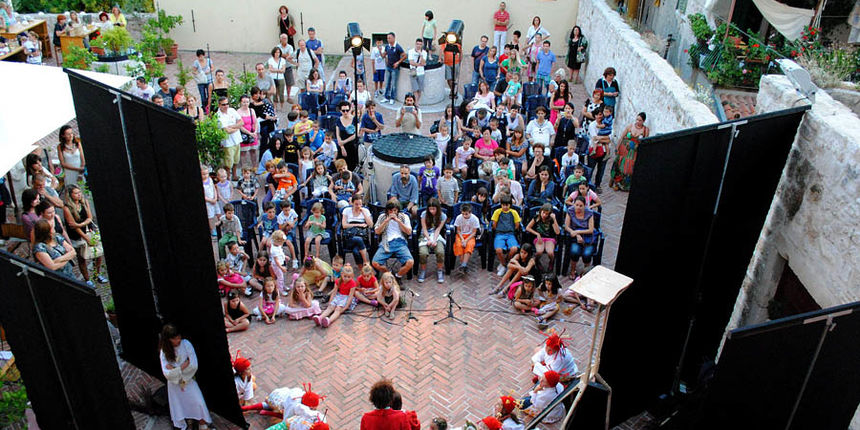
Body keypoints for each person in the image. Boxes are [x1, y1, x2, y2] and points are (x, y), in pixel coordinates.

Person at [159, 324, 212, 430]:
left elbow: (193, 365)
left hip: (188, 380)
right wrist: (181, 367)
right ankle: (188, 423)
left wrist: (174, 370)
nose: (178, 340)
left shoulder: (186, 344)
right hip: (174, 385)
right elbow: (167, 374)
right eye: (175, 338)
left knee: (198, 402)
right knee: (181, 406)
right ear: (169, 339)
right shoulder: (163, 352)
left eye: (179, 337)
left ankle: (202, 424)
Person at [64, 184, 107, 283]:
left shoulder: (84, 203)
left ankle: (97, 274)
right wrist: (85, 237)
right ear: (70, 195)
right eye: (76, 193)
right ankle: (87, 279)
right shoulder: (67, 208)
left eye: (80, 192)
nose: (79, 195)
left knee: (97, 255)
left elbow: (89, 218)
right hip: (77, 236)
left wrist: (79, 225)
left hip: (89, 231)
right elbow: (72, 226)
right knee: (82, 257)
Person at [372, 200, 414, 280]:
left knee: (410, 262)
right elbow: (377, 231)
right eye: (390, 210)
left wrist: (399, 221)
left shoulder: (404, 217)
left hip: (400, 242)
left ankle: (398, 276)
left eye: (395, 210)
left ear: (398, 210)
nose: (392, 212)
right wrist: (386, 221)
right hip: (386, 242)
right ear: (387, 210)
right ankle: (389, 275)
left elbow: (409, 232)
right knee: (375, 263)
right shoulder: (382, 217)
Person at [609, 112, 649, 191]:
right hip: (624, 150)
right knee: (619, 165)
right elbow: (622, 136)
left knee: (628, 169)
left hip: (633, 153)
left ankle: (624, 185)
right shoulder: (630, 126)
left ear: (643, 121)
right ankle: (616, 182)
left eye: (640, 120)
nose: (638, 121)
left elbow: (644, 142)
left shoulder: (645, 130)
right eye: (637, 119)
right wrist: (617, 147)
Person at [315, 263, 357, 327]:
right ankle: (320, 318)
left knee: (338, 309)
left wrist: (346, 306)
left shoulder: (352, 283)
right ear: (342, 274)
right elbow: (334, 292)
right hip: (339, 295)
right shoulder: (338, 281)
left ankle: (329, 320)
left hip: (346, 297)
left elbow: (351, 296)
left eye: (349, 277)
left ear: (352, 276)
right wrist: (330, 301)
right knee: (330, 307)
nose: (346, 278)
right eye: (345, 276)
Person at [417, 198, 447, 283]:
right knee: (423, 253)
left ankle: (440, 270)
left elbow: (438, 229)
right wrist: (428, 239)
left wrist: (434, 240)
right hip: (425, 236)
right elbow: (424, 229)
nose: (432, 211)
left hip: (436, 236)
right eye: (430, 209)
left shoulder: (443, 216)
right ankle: (423, 270)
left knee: (440, 251)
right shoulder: (424, 214)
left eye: (434, 209)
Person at [565, 197, 595, 279]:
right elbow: (567, 226)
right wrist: (576, 235)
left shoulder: (589, 213)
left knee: (587, 254)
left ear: (584, 206)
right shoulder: (570, 211)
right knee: (575, 252)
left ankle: (586, 273)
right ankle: (573, 270)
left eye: (581, 206)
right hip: (575, 238)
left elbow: (591, 229)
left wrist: (578, 232)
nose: (578, 207)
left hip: (587, 238)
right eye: (576, 205)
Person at [491, 194, 521, 276]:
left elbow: (517, 224)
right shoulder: (497, 212)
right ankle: (504, 265)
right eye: (503, 205)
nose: (505, 207)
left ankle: (506, 262)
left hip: (510, 234)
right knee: (498, 250)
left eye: (507, 205)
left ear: (510, 205)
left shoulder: (514, 212)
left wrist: (511, 230)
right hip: (499, 234)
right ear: (501, 205)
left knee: (514, 249)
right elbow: (494, 224)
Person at [341, 193, 373, 266]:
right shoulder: (347, 210)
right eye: (356, 204)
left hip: (362, 236)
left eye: (360, 204)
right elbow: (344, 225)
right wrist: (358, 225)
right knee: (358, 240)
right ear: (352, 203)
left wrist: (364, 213)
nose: (358, 206)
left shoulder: (365, 211)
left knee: (356, 251)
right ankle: (366, 262)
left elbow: (371, 225)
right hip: (349, 237)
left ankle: (362, 269)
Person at [216, 97, 243, 180]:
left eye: (227, 104)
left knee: (236, 159)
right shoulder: (218, 115)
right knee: (228, 162)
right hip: (228, 142)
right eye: (223, 104)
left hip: (237, 139)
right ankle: (228, 177)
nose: (226, 106)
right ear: (219, 105)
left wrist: (232, 126)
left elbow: (241, 122)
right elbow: (227, 130)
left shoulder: (232, 110)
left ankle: (234, 175)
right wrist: (237, 127)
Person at [382, 32, 406, 104]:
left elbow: (404, 56)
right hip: (388, 67)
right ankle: (386, 97)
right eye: (387, 38)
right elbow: (384, 55)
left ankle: (392, 98)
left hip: (395, 68)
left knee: (393, 84)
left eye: (389, 38)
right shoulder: (387, 46)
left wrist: (398, 62)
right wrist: (381, 51)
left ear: (394, 38)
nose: (388, 39)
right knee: (387, 83)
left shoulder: (398, 47)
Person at [251, 86, 277, 151]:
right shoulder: (252, 104)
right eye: (256, 94)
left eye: (259, 93)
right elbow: (260, 114)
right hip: (263, 123)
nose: (258, 95)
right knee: (264, 142)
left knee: (271, 138)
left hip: (269, 122)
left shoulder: (263, 101)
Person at [237, 94, 260, 169]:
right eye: (244, 102)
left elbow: (255, 122)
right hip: (244, 134)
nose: (245, 104)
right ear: (240, 102)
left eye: (247, 102)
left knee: (253, 151)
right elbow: (240, 126)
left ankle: (254, 167)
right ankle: (244, 168)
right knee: (243, 152)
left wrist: (255, 131)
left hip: (253, 132)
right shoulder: (238, 112)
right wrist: (249, 133)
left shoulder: (251, 110)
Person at [335, 101, 359, 170]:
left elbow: (356, 134)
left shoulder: (355, 119)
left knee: (352, 165)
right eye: (343, 110)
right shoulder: (338, 120)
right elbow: (338, 135)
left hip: (352, 146)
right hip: (342, 146)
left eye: (347, 110)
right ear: (340, 111)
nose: (345, 112)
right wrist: (342, 146)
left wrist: (344, 142)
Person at [407, 39, 428, 104]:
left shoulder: (424, 53)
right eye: (417, 44)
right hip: (413, 71)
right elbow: (411, 62)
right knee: (415, 89)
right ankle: (416, 103)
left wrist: (420, 55)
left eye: (420, 44)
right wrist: (419, 64)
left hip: (421, 73)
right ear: (415, 44)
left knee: (420, 89)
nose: (418, 46)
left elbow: (424, 63)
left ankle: (416, 102)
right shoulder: (411, 51)